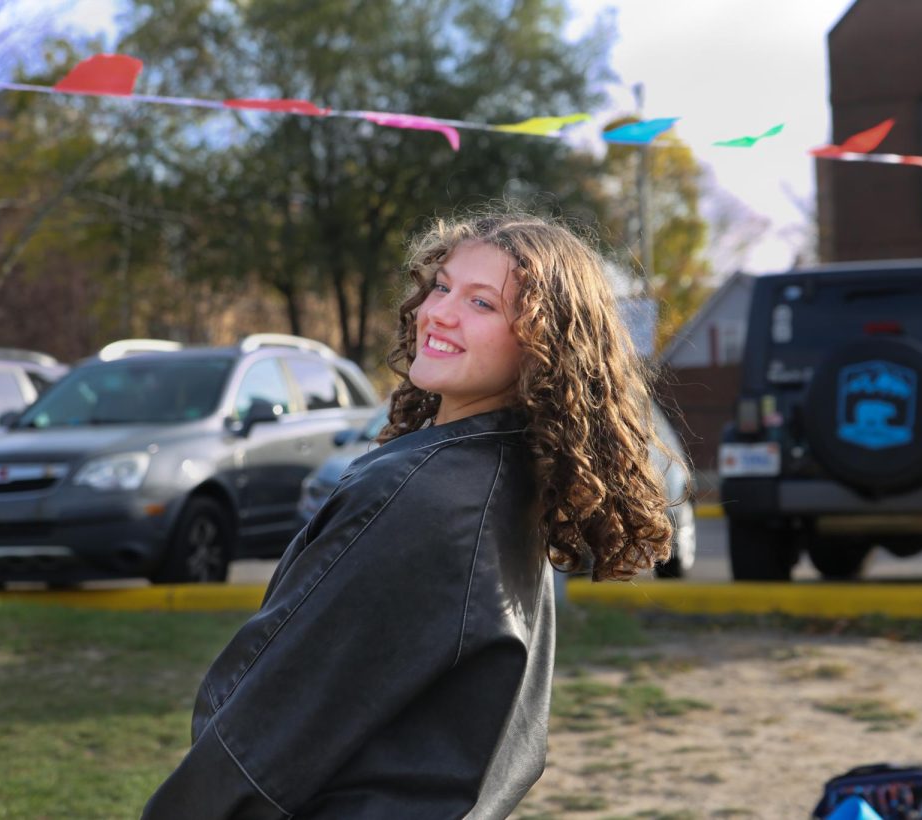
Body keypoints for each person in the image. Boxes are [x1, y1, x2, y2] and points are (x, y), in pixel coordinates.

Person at [142, 210, 676, 819]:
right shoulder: (507, 474)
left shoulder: (425, 494)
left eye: (483, 303)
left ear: (544, 344)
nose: (439, 312)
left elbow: (268, 730)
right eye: (442, 286)